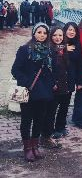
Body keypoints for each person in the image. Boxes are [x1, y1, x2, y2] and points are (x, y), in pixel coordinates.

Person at [11, 23, 53, 162]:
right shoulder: (25, 50)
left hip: (44, 92)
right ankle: (27, 148)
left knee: (39, 119)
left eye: (45, 33)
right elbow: (15, 70)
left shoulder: (49, 50)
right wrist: (28, 82)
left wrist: (51, 84)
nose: (42, 35)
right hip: (29, 91)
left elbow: (51, 70)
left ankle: (35, 146)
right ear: (34, 33)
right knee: (27, 120)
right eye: (39, 32)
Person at [41, 27, 71, 149]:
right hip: (52, 86)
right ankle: (46, 135)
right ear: (50, 36)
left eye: (60, 35)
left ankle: (57, 129)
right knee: (50, 111)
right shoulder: (47, 50)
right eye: (55, 35)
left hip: (64, 84)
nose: (58, 38)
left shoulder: (65, 50)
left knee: (62, 108)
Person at [56, 22, 82, 137]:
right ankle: (49, 129)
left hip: (70, 79)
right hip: (58, 79)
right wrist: (63, 48)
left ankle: (60, 127)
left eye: (74, 30)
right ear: (65, 30)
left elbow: (79, 65)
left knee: (65, 105)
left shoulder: (78, 44)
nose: (71, 32)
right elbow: (51, 50)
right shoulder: (59, 43)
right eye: (69, 29)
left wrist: (79, 81)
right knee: (53, 105)